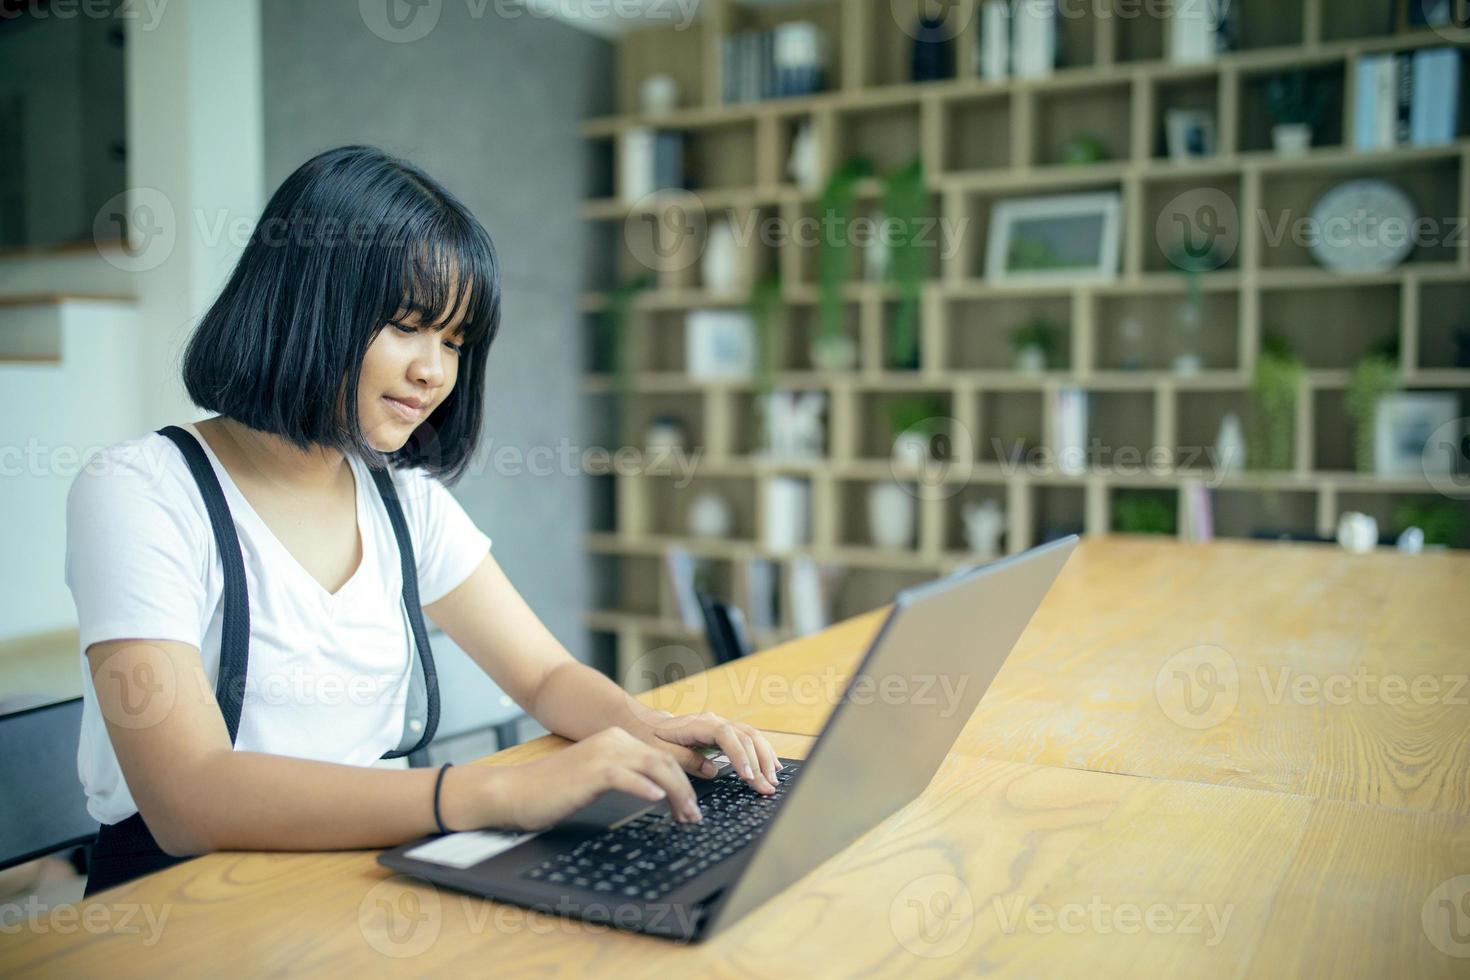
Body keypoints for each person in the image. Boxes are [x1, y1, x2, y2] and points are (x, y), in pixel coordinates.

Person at [65, 145, 779, 896]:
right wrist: (485, 796)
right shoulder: (141, 491)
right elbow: (188, 800)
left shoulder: (405, 503)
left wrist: (640, 726)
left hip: (362, 873)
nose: (435, 371)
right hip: (185, 898)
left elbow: (543, 675)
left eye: (455, 341)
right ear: (307, 301)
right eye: (408, 326)